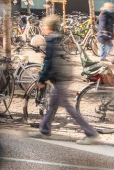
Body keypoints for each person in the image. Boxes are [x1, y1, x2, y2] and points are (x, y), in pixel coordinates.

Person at [29, 15, 100, 144]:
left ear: (48, 27)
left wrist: (42, 79)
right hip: (63, 77)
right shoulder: (60, 38)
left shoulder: (51, 40)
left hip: (59, 78)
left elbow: (49, 61)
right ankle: (44, 130)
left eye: (44, 26)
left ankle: (91, 134)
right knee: (52, 105)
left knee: (69, 109)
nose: (42, 28)